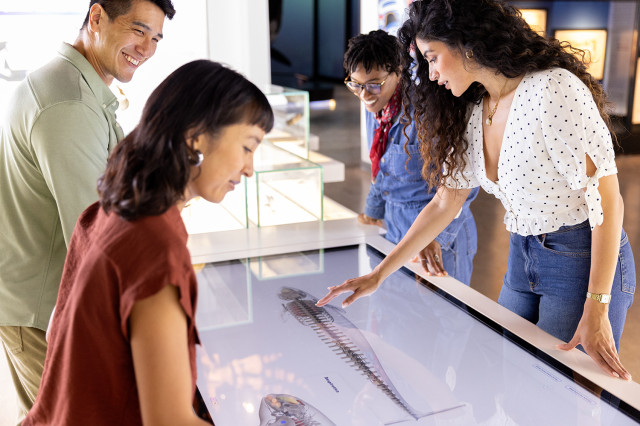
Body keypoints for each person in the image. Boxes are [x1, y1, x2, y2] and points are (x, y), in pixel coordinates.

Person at [318, 0, 635, 381]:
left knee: (561, 390)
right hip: (523, 253)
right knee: (511, 375)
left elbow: (607, 199)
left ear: (466, 42)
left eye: (433, 58)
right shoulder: (472, 110)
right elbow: (445, 201)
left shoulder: (552, 89)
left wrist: (598, 305)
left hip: (580, 257)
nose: (431, 74)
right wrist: (379, 274)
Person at [22, 59, 274, 425]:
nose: (250, 168)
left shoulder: (107, 210)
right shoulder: (155, 246)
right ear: (197, 137)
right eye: (248, 147)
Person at [0, 0, 175, 421]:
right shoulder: (70, 103)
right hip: (45, 312)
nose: (147, 48)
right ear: (97, 17)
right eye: (138, 30)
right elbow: (98, 235)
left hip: (38, 302)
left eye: (155, 38)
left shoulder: (70, 84)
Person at [344, 30, 478, 284]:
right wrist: (372, 212)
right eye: (356, 85)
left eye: (373, 84)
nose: (364, 94)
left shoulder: (428, 113)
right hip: (394, 229)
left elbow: (466, 185)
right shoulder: (378, 109)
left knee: (447, 320)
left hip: (437, 240)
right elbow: (382, 167)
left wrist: (437, 237)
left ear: (398, 71)